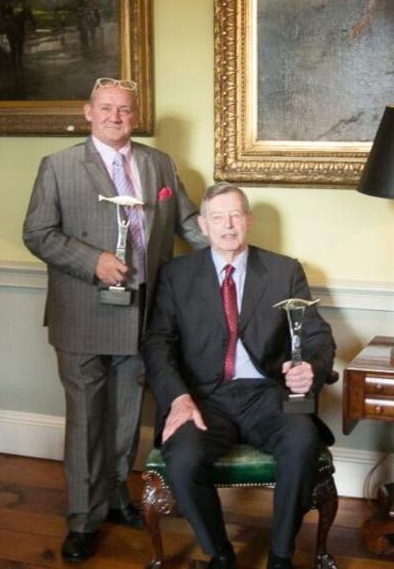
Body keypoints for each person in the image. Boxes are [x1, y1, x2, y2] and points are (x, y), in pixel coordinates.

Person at [22, 77, 207, 562]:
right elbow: (37, 233)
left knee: (128, 418)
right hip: (83, 313)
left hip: (143, 313)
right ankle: (83, 519)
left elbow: (187, 223)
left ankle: (117, 499)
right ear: (88, 112)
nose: (115, 117)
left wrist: (231, 244)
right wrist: (93, 261)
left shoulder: (158, 163)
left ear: (135, 115)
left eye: (124, 110)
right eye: (106, 108)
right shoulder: (58, 167)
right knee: (86, 420)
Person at [142, 183, 336, 569]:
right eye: (217, 218)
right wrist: (179, 399)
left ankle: (281, 556)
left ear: (247, 220)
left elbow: (317, 335)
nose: (227, 226)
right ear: (203, 224)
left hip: (267, 395)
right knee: (181, 460)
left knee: (301, 443)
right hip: (204, 399)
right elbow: (157, 343)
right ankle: (220, 555)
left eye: (235, 216)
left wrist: (309, 369)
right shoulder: (177, 275)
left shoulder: (284, 270)